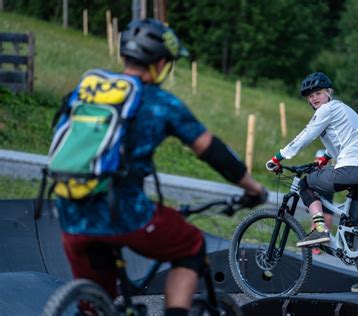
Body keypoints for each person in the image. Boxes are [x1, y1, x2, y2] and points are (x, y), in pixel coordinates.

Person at [56, 19, 267, 316]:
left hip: (71, 215)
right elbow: (213, 151)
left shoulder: (86, 92)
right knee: (192, 244)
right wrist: (253, 188)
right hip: (126, 216)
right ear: (158, 64)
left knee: (95, 305)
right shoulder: (159, 102)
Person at [265, 72, 358, 293]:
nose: (314, 98)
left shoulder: (327, 109)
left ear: (329, 93)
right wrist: (325, 158)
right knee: (355, 228)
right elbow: (343, 138)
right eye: (310, 96)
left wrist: (278, 157)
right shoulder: (343, 110)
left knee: (306, 185)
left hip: (351, 168)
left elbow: (307, 134)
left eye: (318, 93)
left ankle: (319, 228)